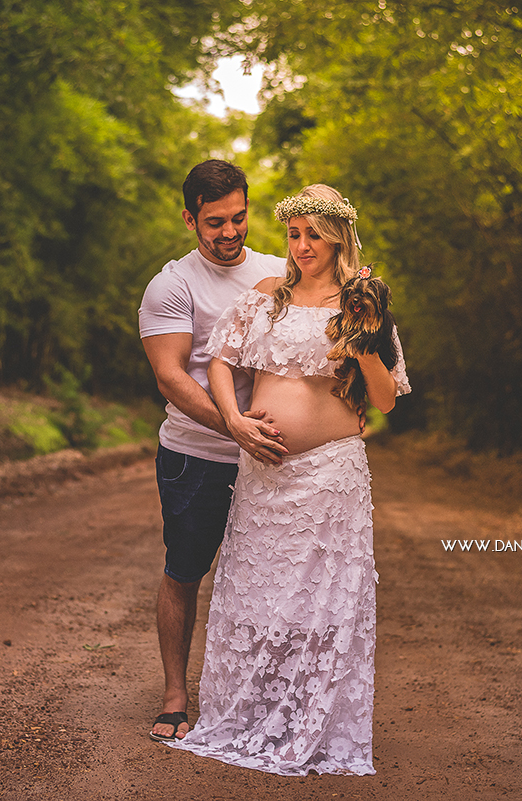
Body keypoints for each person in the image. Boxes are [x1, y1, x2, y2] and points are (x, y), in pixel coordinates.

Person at [167, 184, 410, 775]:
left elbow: (384, 402)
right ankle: (251, 715)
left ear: (338, 236)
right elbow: (220, 361)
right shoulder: (267, 295)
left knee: (322, 602)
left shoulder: (365, 297)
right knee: (260, 594)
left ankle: (311, 721)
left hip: (331, 475)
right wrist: (234, 420)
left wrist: (365, 339)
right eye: (294, 233)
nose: (302, 246)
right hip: (263, 473)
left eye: (314, 234)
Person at [138, 160, 287, 743]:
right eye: (215, 222)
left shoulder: (279, 272)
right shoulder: (172, 285)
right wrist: (236, 426)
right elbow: (171, 377)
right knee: (185, 570)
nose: (230, 233)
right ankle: (176, 695)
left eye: (239, 218)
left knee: (271, 579)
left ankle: (262, 696)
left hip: (272, 459)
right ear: (189, 219)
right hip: (196, 457)